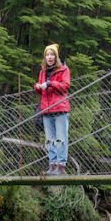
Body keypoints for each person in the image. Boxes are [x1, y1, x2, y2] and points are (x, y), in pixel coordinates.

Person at [34, 43, 71, 176]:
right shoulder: (42, 72)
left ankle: (61, 166)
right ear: (45, 57)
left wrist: (50, 83)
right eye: (47, 55)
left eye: (52, 55)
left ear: (56, 57)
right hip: (46, 110)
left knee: (61, 138)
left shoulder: (63, 70)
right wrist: (38, 86)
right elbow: (39, 90)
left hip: (60, 108)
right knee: (49, 139)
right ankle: (52, 164)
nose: (50, 57)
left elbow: (65, 86)